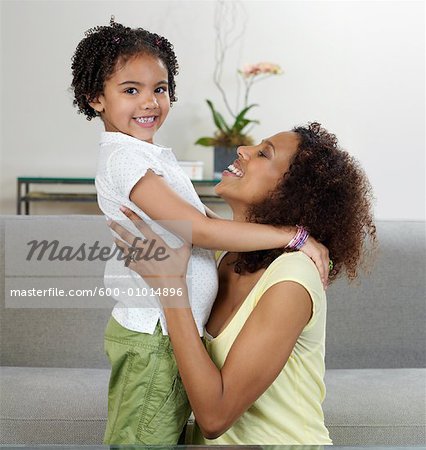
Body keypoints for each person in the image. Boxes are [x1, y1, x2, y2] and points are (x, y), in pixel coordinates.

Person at [70, 19, 330, 445]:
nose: (150, 101)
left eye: (160, 88)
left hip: (164, 333)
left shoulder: (146, 156)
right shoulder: (125, 160)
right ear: (95, 98)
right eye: (130, 90)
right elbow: (198, 228)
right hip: (152, 337)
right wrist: (292, 235)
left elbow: (203, 225)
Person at [111, 122, 377, 444]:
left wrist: (170, 288)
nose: (242, 150)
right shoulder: (222, 252)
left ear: (292, 192)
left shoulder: (291, 279)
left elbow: (214, 416)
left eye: (264, 153)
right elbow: (196, 223)